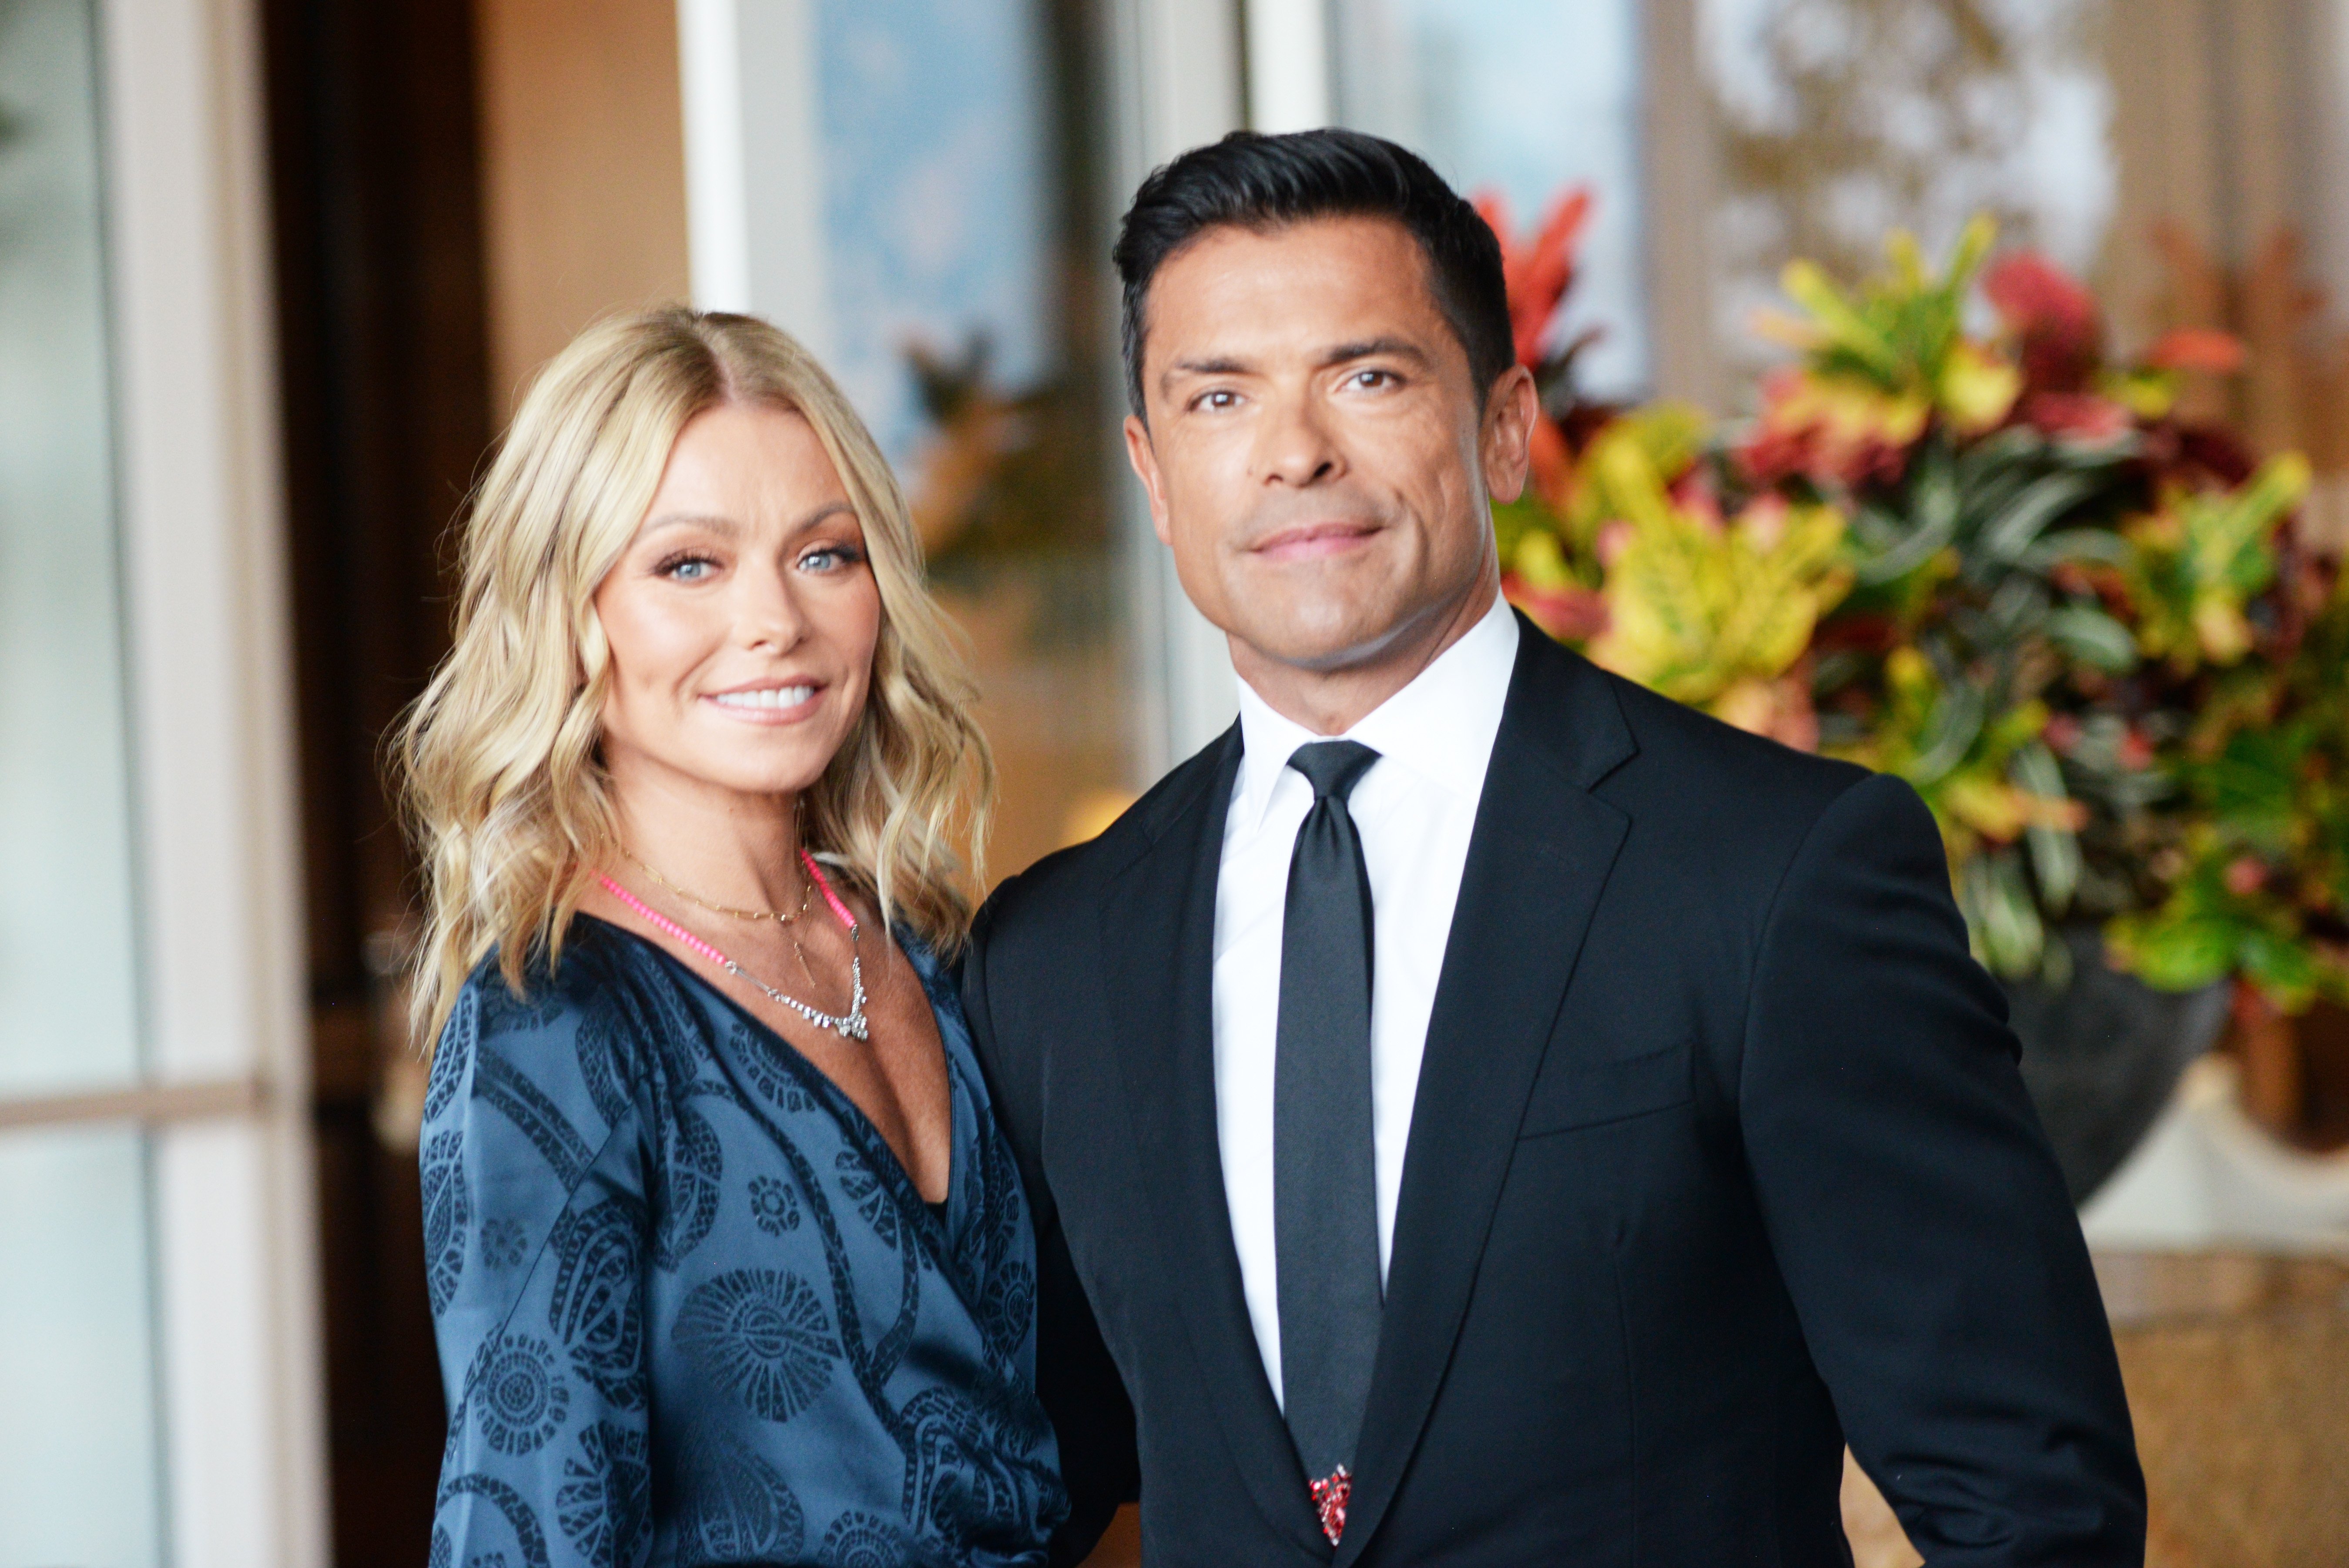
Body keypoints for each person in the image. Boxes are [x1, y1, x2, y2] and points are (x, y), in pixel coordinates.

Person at [960, 129, 2145, 1565]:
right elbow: (1026, 1486)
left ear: (1506, 427)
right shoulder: (1054, 956)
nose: (1294, 452)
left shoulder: (1778, 879)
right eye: (1218, 397)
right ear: (1154, 475)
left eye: (1368, 375)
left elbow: (2031, 1501)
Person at [400, 308, 1065, 1566]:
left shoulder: (927, 948)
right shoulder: (552, 1022)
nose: (776, 621)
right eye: (689, 565)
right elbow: (529, 1528)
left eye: (825, 554)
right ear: (570, 608)